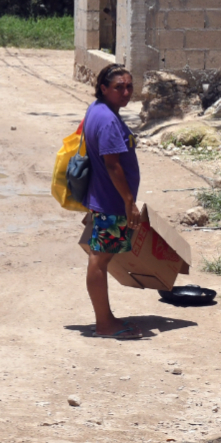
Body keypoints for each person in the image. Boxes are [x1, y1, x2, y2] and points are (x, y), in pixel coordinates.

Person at [78, 63, 143, 339]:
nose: (126, 92)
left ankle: (106, 318)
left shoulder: (98, 110)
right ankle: (104, 324)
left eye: (129, 86)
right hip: (111, 202)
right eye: (119, 87)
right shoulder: (106, 120)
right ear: (103, 88)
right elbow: (113, 165)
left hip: (102, 198)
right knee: (99, 261)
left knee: (99, 258)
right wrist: (129, 202)